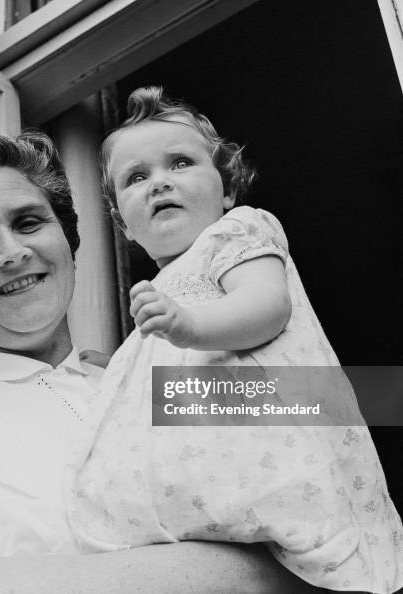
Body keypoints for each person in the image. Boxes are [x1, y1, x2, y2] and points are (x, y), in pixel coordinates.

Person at [0, 129, 318, 593]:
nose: (12, 252)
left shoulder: (165, 371)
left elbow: (346, 424)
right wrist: (254, 572)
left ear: (69, 245)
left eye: (28, 222)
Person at [69, 87, 403, 593]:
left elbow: (268, 306)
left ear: (226, 190)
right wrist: (119, 368)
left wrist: (189, 326)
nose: (159, 183)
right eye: (136, 178)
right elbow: (161, 371)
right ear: (123, 223)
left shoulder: (236, 231)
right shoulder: (161, 291)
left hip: (271, 450)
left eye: (179, 163)